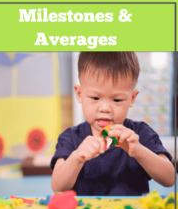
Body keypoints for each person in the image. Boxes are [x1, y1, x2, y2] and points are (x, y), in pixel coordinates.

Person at [50, 52, 175, 196]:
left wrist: (139, 151)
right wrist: (77, 157)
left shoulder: (141, 133)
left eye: (117, 100)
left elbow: (170, 179)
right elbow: (58, 187)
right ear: (79, 94)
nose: (105, 108)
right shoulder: (70, 137)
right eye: (95, 97)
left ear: (132, 98)